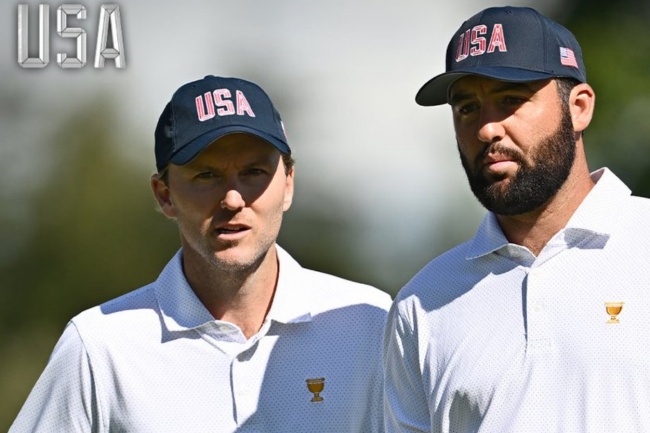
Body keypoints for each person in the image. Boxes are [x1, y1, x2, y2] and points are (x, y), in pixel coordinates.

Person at [10, 75, 391, 432]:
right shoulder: (99, 346)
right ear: (165, 195)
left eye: (255, 171)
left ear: (288, 184)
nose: (232, 198)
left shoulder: (371, 322)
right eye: (206, 175)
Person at [384, 6, 650, 432]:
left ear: (579, 108)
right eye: (467, 108)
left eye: (511, 100)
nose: (487, 129)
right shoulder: (422, 303)